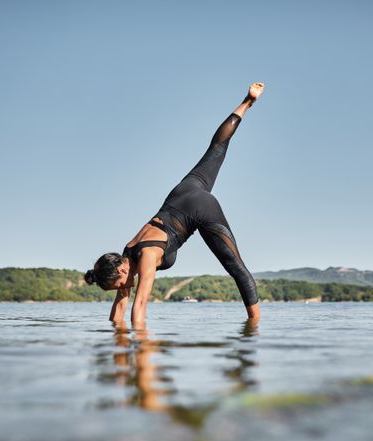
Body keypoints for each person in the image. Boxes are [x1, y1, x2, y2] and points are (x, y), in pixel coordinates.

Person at [85, 82, 265, 325]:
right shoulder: (126, 254)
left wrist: (141, 352)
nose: (123, 289)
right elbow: (120, 308)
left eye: (119, 284)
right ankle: (248, 101)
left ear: (121, 271)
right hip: (181, 193)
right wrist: (117, 341)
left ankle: (254, 327)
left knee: (235, 266)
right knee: (215, 150)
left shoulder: (146, 255)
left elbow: (139, 307)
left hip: (199, 207)